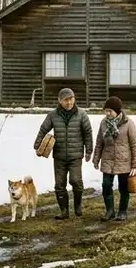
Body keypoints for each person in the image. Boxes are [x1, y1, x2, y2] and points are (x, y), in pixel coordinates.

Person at [33, 88, 93, 220]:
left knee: (75, 181)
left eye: (71, 99)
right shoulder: (52, 115)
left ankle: (77, 205)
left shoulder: (82, 115)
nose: (69, 102)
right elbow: (43, 130)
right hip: (59, 156)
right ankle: (64, 211)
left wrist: (89, 151)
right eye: (66, 100)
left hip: (75, 155)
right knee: (59, 185)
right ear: (60, 101)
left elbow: (88, 133)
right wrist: (37, 145)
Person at [92, 95, 136, 221]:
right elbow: (99, 143)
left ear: (117, 111)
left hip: (124, 161)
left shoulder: (128, 123)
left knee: (123, 187)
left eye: (110, 111)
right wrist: (96, 159)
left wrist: (135, 164)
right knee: (106, 185)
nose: (107, 113)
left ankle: (122, 211)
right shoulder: (104, 123)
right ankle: (110, 211)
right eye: (106, 110)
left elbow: (134, 144)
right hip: (108, 160)